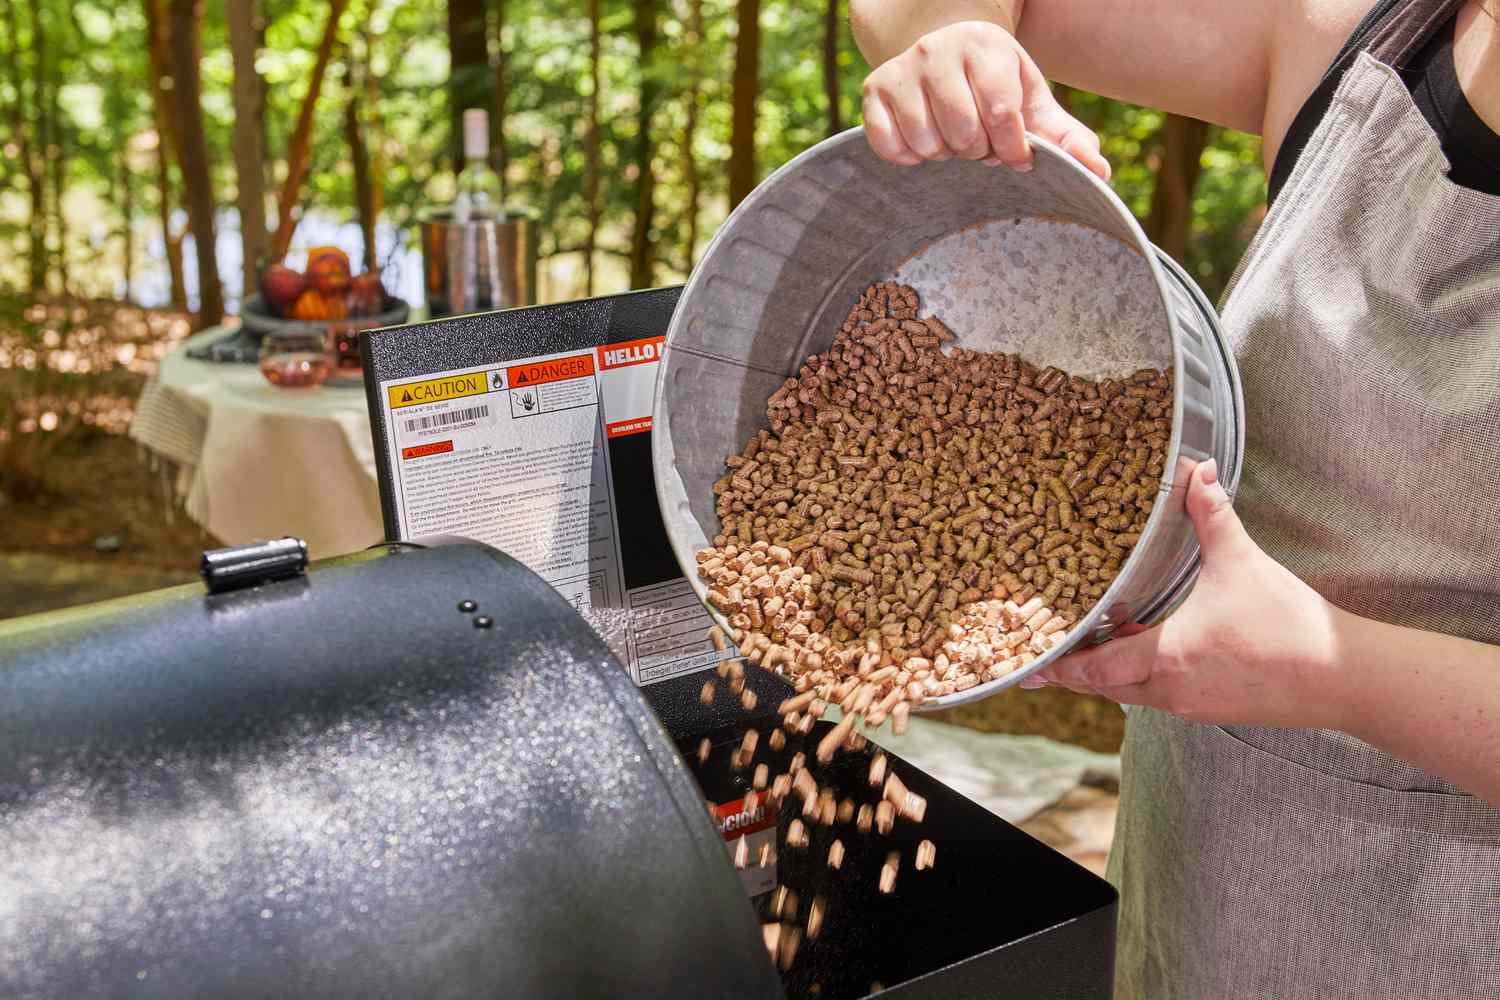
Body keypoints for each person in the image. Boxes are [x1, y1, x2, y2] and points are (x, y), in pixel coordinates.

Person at [849, 1, 1500, 997]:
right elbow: (892, 11)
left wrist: (1336, 669)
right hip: (1200, 901)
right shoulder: (1374, 33)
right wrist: (961, 45)